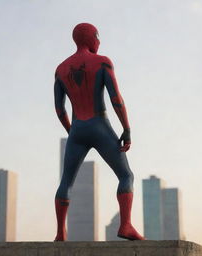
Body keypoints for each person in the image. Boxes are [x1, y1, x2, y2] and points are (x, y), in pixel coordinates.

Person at [54, 23, 144, 241]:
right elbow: (116, 100)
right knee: (126, 175)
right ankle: (125, 225)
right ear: (92, 38)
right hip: (99, 125)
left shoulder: (60, 69)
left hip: (77, 129)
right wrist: (127, 129)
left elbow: (59, 109)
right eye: (98, 37)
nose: (99, 41)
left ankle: (60, 233)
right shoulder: (102, 62)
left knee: (66, 182)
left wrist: (72, 130)